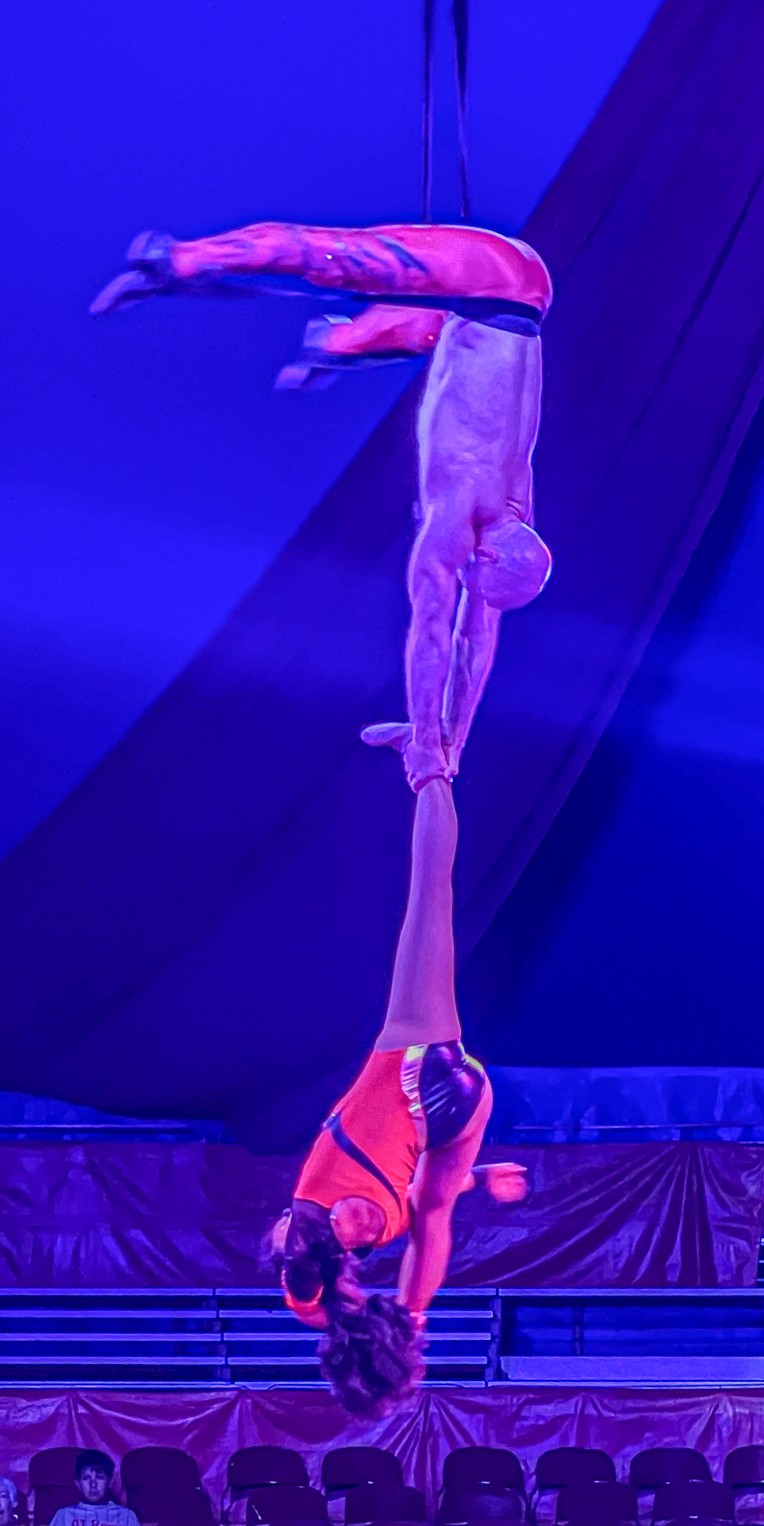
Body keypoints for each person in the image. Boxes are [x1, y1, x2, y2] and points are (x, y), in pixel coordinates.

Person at [91, 220, 552, 787]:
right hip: (490, 278)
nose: (464, 583)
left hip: (504, 304)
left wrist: (449, 741)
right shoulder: (457, 518)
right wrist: (426, 750)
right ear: (490, 557)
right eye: (472, 577)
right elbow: (434, 631)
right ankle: (177, 260)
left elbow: (476, 640)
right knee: (339, 259)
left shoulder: (517, 513)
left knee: (429, 331)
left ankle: (334, 344)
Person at [269, 776, 527, 1415]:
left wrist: (481, 1177)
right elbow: (299, 1266)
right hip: (415, 1069)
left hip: (464, 1105)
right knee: (429, 897)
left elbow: (411, 1210)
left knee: (432, 1211)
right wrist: (314, 1296)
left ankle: (414, 1314)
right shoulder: (328, 1233)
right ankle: (430, 768)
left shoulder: (373, 1230)